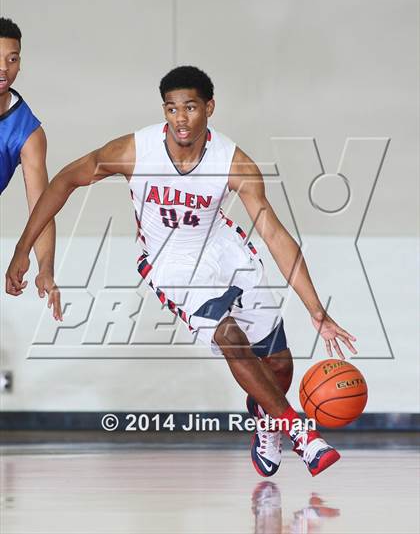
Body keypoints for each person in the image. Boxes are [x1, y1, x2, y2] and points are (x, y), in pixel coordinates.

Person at [6, 66, 357, 476]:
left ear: (209, 107)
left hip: (223, 249)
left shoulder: (232, 161)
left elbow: (276, 236)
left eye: (190, 107)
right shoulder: (136, 150)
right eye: (171, 109)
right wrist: (23, 248)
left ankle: (266, 417)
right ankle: (300, 434)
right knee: (230, 337)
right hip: (170, 261)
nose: (180, 119)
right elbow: (65, 179)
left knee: (278, 362)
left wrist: (316, 310)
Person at [1, 17, 61, 320]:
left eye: (11, 59)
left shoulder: (28, 133)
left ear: (19, 64)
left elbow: (42, 209)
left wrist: (45, 267)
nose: (3, 68)